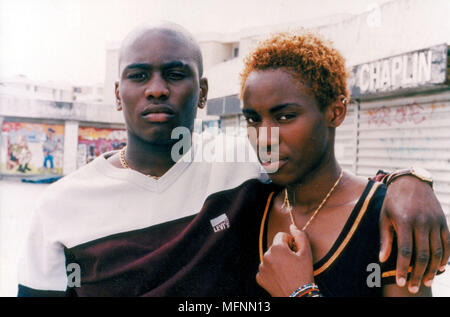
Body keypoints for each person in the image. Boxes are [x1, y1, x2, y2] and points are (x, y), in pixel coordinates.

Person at [17, 22, 449, 296]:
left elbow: (332, 179)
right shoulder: (60, 207)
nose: (155, 89)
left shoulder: (241, 174)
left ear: (202, 93)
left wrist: (409, 181)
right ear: (117, 93)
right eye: (137, 75)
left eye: (174, 73)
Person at [236, 31, 445, 296]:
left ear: (335, 113)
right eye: (253, 120)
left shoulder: (388, 218)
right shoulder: (249, 206)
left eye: (285, 116)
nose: (264, 138)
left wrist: (300, 292)